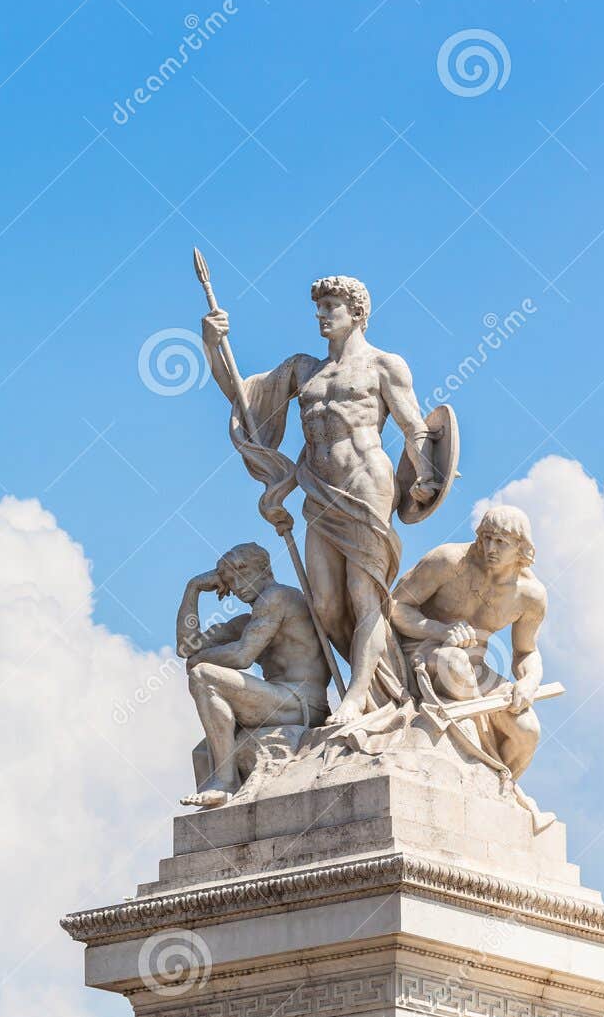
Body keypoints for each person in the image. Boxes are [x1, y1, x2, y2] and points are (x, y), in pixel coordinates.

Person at [201, 275, 438, 726]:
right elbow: (241, 393)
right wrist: (213, 345)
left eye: (332, 305)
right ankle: (376, 680)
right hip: (317, 490)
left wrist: (425, 471)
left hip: (368, 483)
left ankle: (358, 696)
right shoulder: (303, 370)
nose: (322, 314)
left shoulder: (384, 365)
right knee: (325, 603)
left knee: (362, 593)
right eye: (321, 306)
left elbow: (414, 426)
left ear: (358, 313)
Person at [390, 504, 547, 784]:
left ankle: (499, 786)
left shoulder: (530, 596)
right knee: (455, 664)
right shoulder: (449, 561)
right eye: (486, 537)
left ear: (521, 547)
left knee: (527, 731)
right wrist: (440, 630)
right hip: (422, 651)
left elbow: (526, 652)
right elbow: (395, 608)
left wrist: (529, 683)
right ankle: (477, 765)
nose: (490, 548)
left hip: (474, 668)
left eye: (501, 542)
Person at [176, 541, 329, 808]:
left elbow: (242, 656)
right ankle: (218, 812)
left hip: (303, 701)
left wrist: (200, 659)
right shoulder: (248, 622)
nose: (236, 583)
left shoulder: (278, 597)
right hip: (278, 701)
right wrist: (193, 589)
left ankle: (225, 784)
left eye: (242, 571)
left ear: (264, 567)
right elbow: (186, 646)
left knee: (203, 674)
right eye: (229, 578)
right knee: (203, 752)